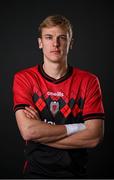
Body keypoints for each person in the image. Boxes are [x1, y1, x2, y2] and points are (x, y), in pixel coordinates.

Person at [13, 14, 105, 178]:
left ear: (71, 43)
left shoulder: (89, 81)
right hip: (35, 172)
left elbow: (94, 137)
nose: (55, 44)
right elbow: (29, 132)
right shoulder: (24, 78)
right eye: (49, 37)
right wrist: (78, 127)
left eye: (62, 38)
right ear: (40, 43)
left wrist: (41, 134)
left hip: (75, 173)